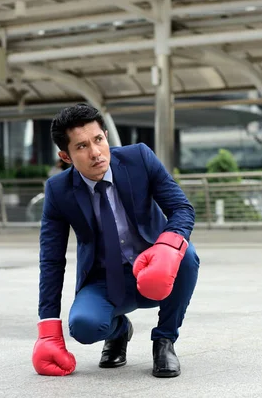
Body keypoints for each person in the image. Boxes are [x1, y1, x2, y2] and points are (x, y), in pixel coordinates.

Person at [32, 103, 199, 378]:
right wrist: (48, 329)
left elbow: (182, 208)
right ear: (66, 155)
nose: (95, 153)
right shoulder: (58, 190)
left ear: (106, 136)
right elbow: (51, 259)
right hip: (105, 279)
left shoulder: (139, 158)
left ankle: (165, 340)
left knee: (187, 256)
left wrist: (167, 247)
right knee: (84, 327)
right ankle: (120, 330)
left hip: (155, 268)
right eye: (82, 146)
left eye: (98, 140)